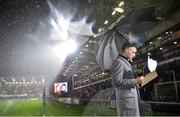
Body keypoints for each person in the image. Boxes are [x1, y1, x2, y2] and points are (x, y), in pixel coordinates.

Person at [110, 42, 144, 116]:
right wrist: (135, 81)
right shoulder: (118, 62)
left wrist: (138, 82)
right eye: (133, 52)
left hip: (130, 100)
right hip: (127, 102)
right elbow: (116, 82)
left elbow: (128, 81)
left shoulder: (125, 62)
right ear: (126, 50)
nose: (134, 55)